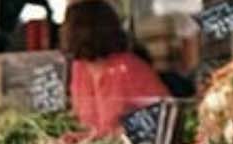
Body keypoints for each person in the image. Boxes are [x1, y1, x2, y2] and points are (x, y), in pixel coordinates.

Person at [61, 0, 170, 135]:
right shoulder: (79, 68)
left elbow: (165, 114)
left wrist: (123, 131)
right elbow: (81, 119)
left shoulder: (129, 68)